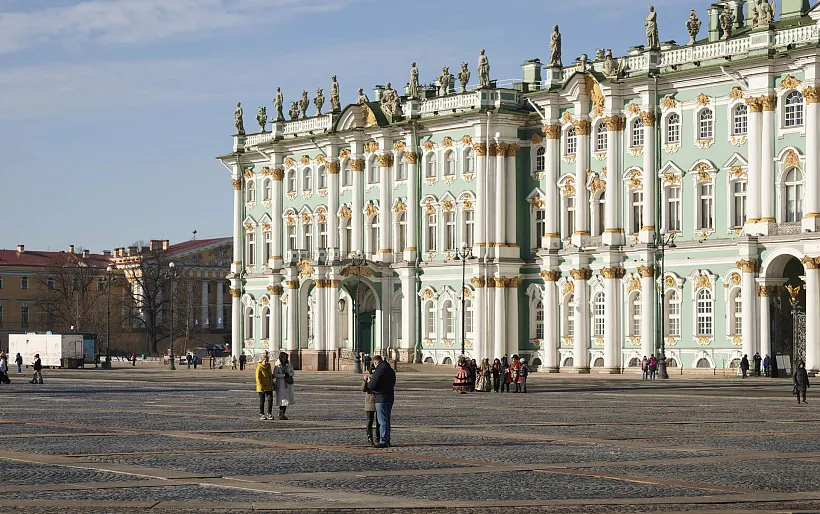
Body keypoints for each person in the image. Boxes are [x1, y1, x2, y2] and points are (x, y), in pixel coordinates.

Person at [367, 355, 395, 448]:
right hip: (390, 397)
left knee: (382, 420)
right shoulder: (390, 370)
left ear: (375, 362)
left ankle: (383, 441)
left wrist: (368, 381)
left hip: (380, 398)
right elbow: (393, 382)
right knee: (387, 420)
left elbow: (372, 385)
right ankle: (387, 440)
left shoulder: (379, 371)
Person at [362, 363, 380, 446]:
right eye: (372, 370)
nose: (373, 371)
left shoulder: (379, 377)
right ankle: (370, 438)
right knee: (370, 420)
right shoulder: (368, 377)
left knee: (378, 421)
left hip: (378, 400)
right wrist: (365, 381)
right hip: (370, 401)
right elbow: (363, 389)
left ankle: (378, 438)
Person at [273, 352, 295, 420]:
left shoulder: (288, 363)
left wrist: (289, 374)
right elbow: (275, 374)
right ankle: (281, 413)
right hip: (281, 384)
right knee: (282, 400)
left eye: (285, 357)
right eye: (283, 357)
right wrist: (283, 375)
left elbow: (292, 372)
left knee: (286, 400)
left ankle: (282, 413)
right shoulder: (277, 364)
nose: (284, 358)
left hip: (287, 384)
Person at [256, 354, 274, 420]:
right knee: (262, 401)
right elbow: (258, 379)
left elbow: (270, 376)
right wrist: (261, 387)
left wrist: (277, 376)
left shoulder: (268, 367)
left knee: (270, 400)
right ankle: (262, 414)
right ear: (262, 361)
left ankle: (269, 413)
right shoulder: (259, 368)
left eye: (267, 361)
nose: (266, 362)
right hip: (262, 388)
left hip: (269, 386)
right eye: (265, 361)